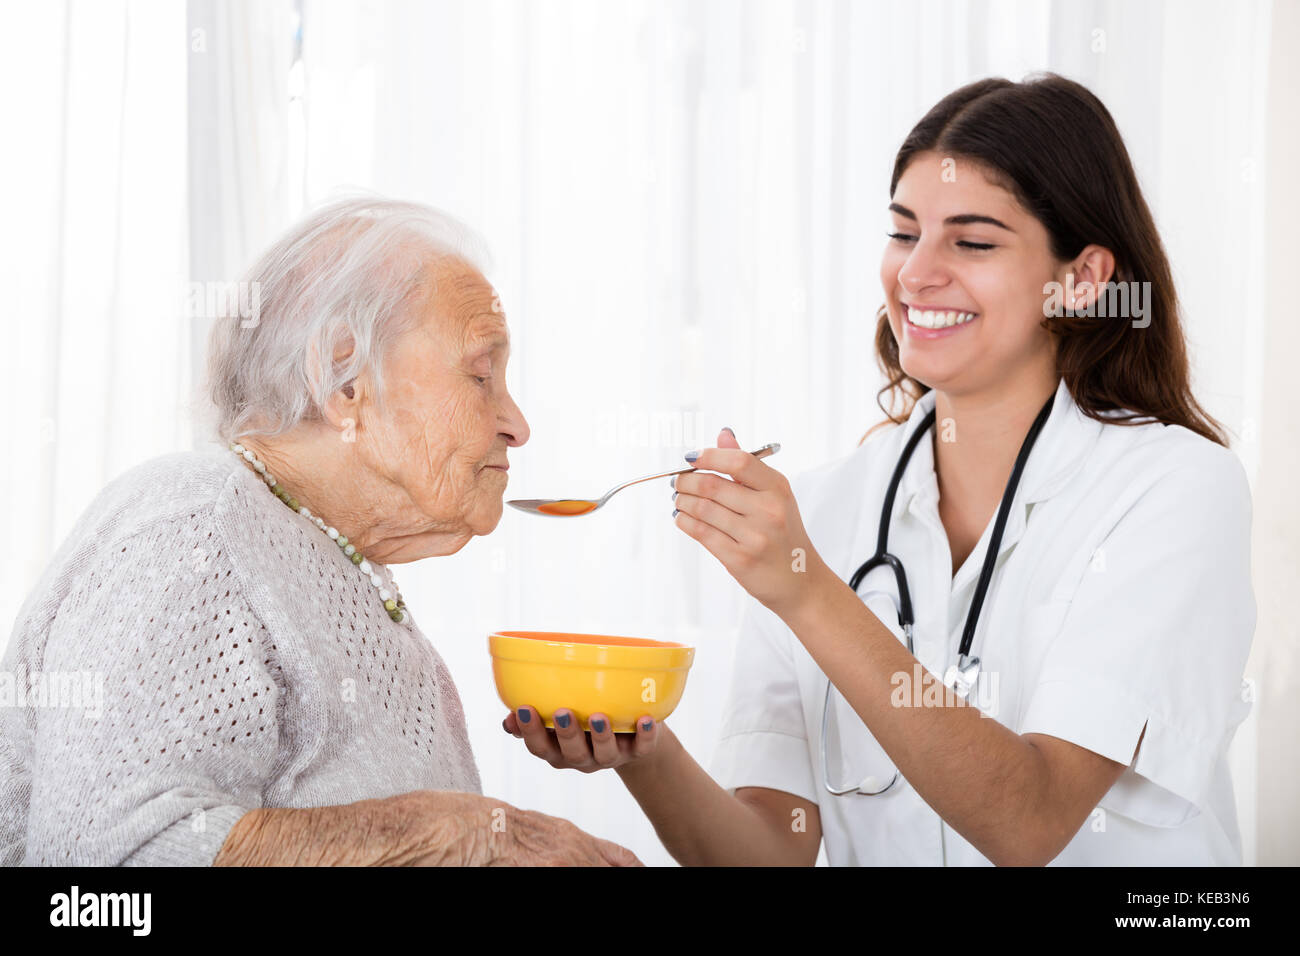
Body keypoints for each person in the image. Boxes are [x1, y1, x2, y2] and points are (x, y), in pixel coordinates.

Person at [504, 74, 1255, 866]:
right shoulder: (823, 511)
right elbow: (771, 851)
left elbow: (1029, 823)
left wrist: (806, 588)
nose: (915, 273)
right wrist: (641, 748)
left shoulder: (1173, 491)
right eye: (904, 233)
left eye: (972, 241)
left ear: (1080, 280)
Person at [0, 195, 641, 866]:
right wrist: (458, 834)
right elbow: (101, 863)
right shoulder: (191, 528)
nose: (517, 424)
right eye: (481, 374)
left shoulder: (342, 570)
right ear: (344, 381)